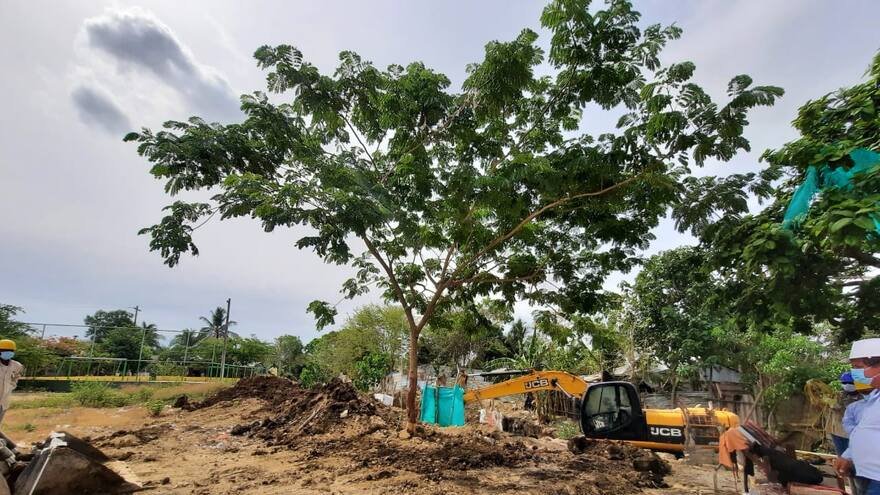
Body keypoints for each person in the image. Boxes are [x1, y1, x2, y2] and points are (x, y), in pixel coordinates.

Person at [835, 338, 880, 495]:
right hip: (872, 475)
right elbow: (865, 432)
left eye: (858, 367)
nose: (855, 374)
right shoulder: (873, 400)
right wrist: (848, 456)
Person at [830, 371, 860, 455]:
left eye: (850, 383)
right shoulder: (838, 395)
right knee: (842, 456)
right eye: (844, 382)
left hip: (854, 433)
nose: (847, 385)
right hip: (838, 431)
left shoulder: (864, 397)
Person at [0, 339, 23, 425]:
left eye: (10, 350)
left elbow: (15, 378)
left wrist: (11, 387)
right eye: (4, 350)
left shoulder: (17, 365)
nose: (8, 352)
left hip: (4, 401)